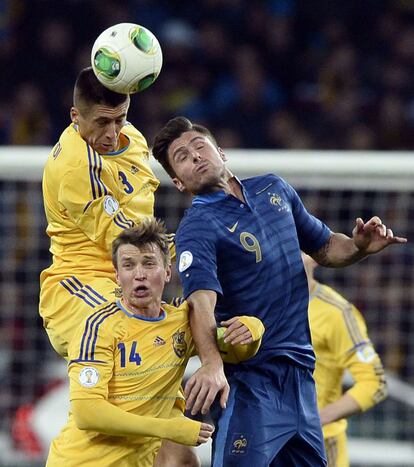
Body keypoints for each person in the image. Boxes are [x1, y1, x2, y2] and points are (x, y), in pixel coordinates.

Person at [151, 116, 407, 466]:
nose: (195, 156)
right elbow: (200, 302)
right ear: (179, 183)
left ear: (220, 151)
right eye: (182, 156)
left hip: (303, 379)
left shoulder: (274, 189)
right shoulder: (197, 227)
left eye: (199, 146)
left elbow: (327, 246)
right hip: (250, 384)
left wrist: (360, 246)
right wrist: (211, 365)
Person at [39, 67, 195, 466]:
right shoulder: (75, 167)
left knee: (176, 335)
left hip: (131, 273)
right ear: (76, 118)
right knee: (131, 323)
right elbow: (126, 240)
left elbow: (145, 229)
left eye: (120, 119)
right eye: (102, 123)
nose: (112, 133)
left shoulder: (135, 141)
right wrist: (194, 248)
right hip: (77, 286)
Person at [46, 218, 264, 466]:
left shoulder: (182, 322)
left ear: (168, 272)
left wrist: (253, 328)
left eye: (149, 264)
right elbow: (88, 413)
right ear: (117, 276)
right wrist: (167, 428)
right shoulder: (98, 327)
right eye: (128, 265)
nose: (139, 275)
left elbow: (234, 349)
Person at [302, 253, 387, 467]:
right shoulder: (262, 305)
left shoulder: (336, 312)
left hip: (319, 443)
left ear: (314, 256)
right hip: (270, 439)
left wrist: (313, 421)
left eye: (299, 249)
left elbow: (375, 383)